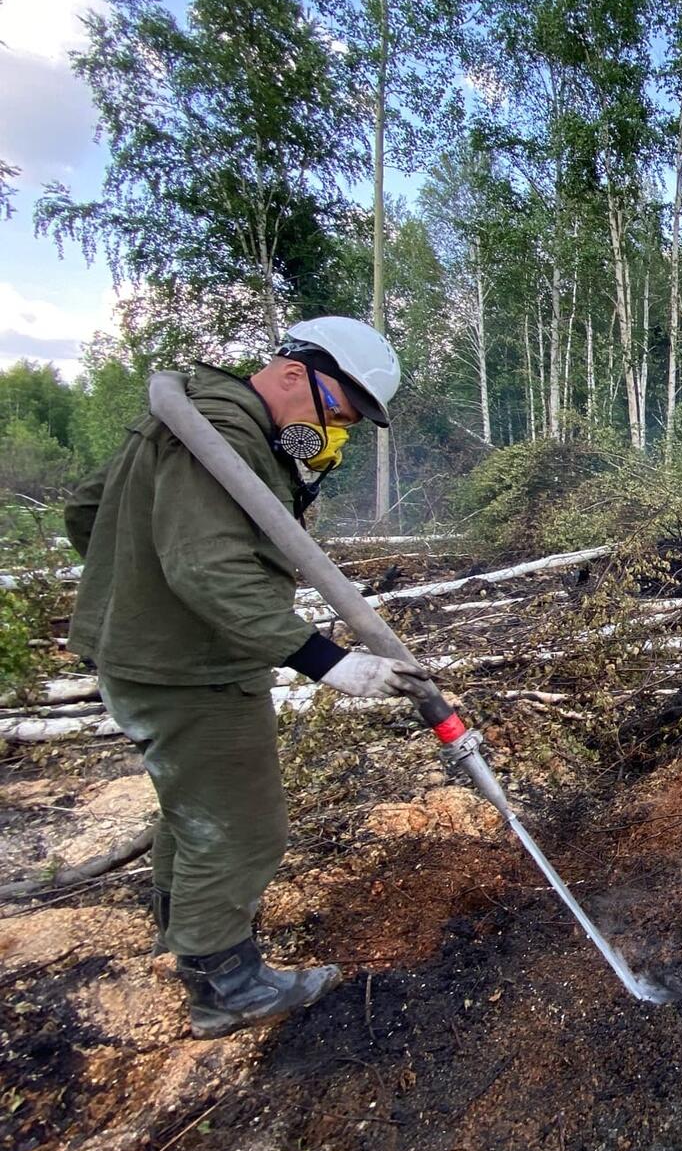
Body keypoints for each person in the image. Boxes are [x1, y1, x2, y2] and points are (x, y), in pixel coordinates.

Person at [63, 317, 432, 1040]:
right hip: (190, 670)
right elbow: (208, 567)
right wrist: (330, 662)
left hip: (156, 656)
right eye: (340, 414)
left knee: (196, 810)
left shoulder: (205, 418)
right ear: (295, 374)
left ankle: (188, 933)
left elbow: (86, 511)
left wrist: (131, 591)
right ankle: (224, 985)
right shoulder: (216, 435)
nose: (338, 435)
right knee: (242, 828)